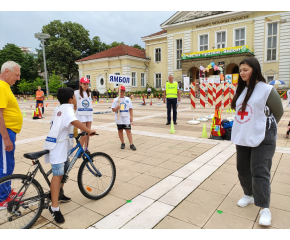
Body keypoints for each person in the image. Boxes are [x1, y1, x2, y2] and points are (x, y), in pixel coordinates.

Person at [231, 57, 283, 226]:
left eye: (245, 69)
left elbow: (278, 112)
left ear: (255, 69)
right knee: (242, 168)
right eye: (240, 70)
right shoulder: (242, 90)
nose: (242, 73)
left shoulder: (266, 89)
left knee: (260, 171)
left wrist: (261, 124)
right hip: (244, 134)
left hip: (263, 134)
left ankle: (264, 208)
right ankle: (249, 194)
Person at [43, 87, 96, 223]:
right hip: (58, 149)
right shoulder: (68, 108)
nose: (76, 100)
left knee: (65, 170)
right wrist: (88, 130)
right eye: (75, 97)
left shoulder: (59, 108)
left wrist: (78, 133)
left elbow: (65, 124)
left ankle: (59, 194)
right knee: (58, 175)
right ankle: (54, 208)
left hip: (60, 145)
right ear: (71, 99)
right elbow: (74, 121)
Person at [0, 61, 22, 209]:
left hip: (9, 132)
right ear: (6, 72)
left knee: (7, 164)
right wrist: (6, 139)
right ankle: (3, 198)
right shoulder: (1, 87)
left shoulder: (5, 87)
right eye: (17, 75)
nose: (18, 78)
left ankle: (6, 192)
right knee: (6, 166)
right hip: (5, 133)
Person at [112, 86, 136, 151]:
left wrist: (131, 116)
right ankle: (122, 143)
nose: (122, 93)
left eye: (123, 92)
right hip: (119, 118)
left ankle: (131, 144)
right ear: (118, 92)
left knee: (128, 130)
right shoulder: (115, 100)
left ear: (124, 92)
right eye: (120, 92)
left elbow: (131, 108)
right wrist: (116, 108)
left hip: (126, 118)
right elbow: (113, 109)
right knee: (120, 130)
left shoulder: (128, 99)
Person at [74, 78, 93, 152]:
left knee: (88, 133)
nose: (86, 85)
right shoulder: (76, 93)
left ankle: (86, 149)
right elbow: (74, 104)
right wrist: (76, 112)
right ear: (80, 84)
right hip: (81, 115)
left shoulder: (89, 93)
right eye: (84, 84)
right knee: (83, 134)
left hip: (89, 114)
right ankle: (80, 150)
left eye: (87, 84)